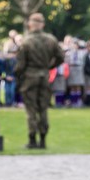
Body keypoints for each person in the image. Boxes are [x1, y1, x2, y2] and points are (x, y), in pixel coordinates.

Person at [15, 13, 65, 149]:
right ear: (42, 25)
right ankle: (43, 140)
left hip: (30, 77)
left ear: (30, 24)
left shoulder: (26, 41)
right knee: (43, 108)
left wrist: (18, 76)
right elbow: (61, 57)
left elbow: (20, 65)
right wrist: (49, 66)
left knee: (31, 110)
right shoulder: (51, 40)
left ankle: (32, 140)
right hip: (45, 76)